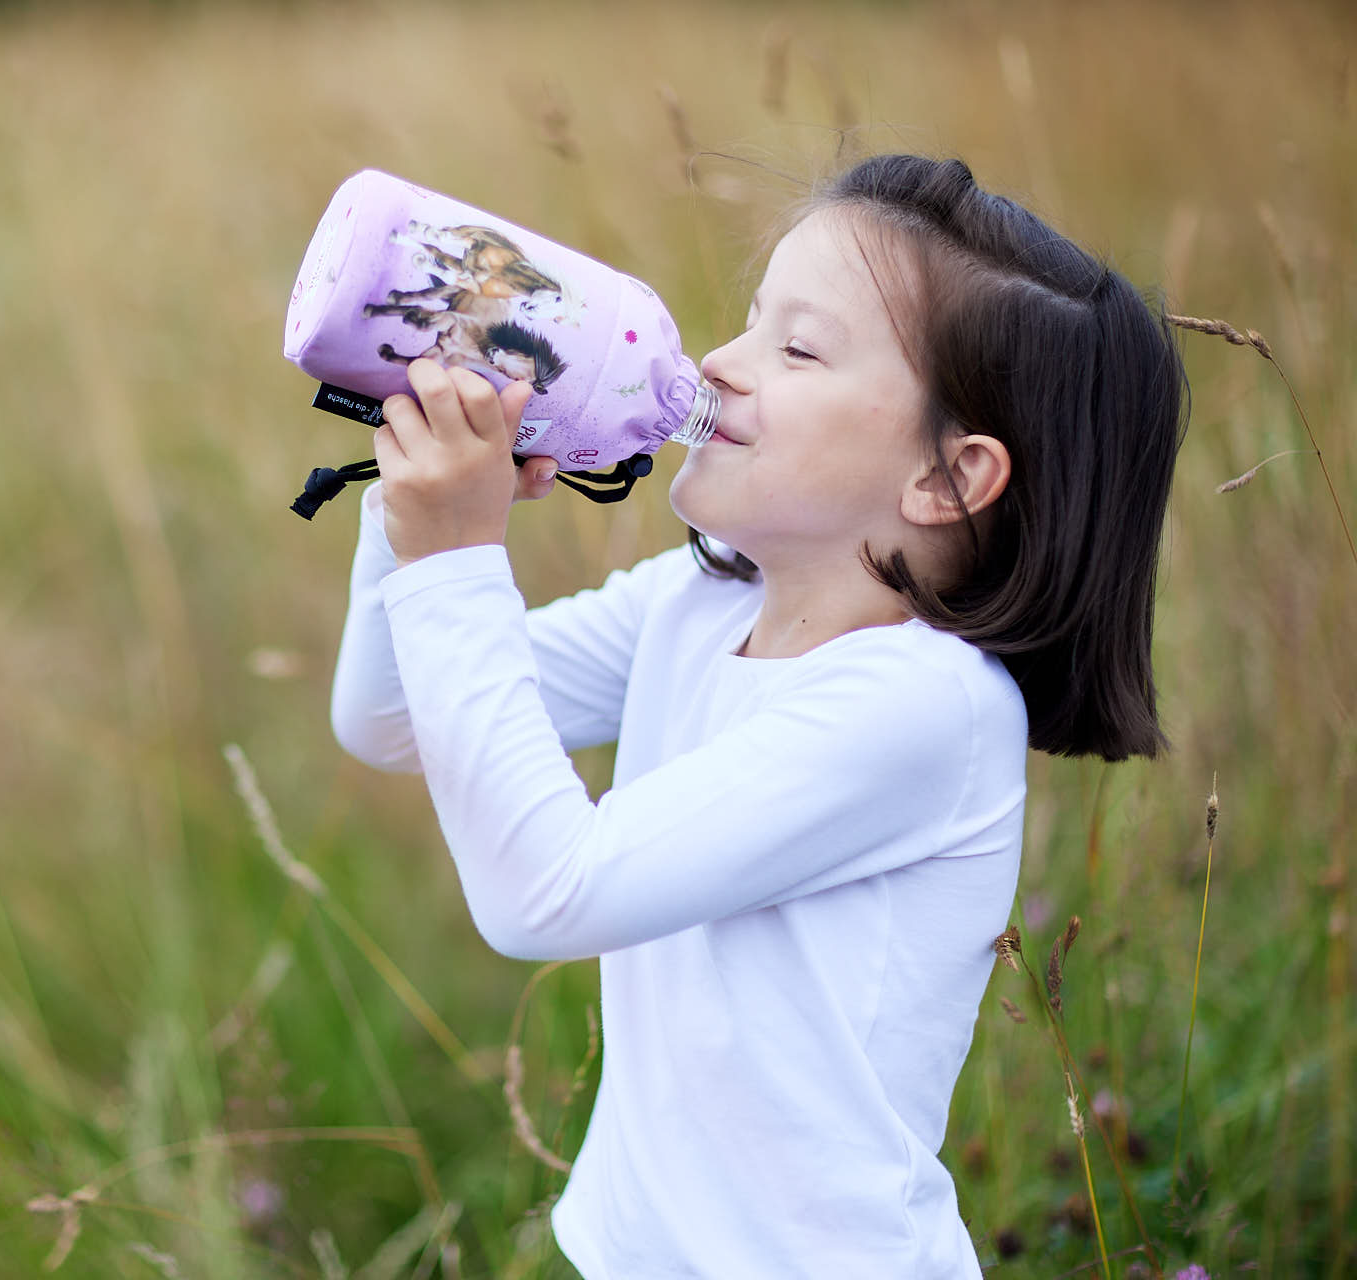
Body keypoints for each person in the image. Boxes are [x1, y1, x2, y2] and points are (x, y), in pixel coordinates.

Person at [327, 154, 1186, 1277]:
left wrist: (458, 556)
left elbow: (546, 891)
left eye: (799, 348)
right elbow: (393, 717)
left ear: (947, 476)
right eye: (747, 320)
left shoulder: (926, 706)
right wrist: (407, 522)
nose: (719, 365)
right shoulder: (702, 597)